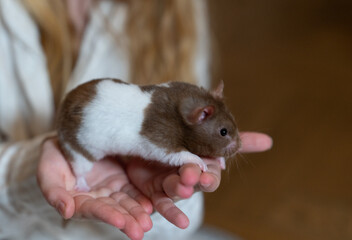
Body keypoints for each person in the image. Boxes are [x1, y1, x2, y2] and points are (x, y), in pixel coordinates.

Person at [0, 0, 272, 239]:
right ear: (200, 115)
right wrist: (29, 170)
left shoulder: (177, 12)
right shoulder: (156, 125)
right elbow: (157, 146)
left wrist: (184, 181)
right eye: (225, 133)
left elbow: (174, 228)